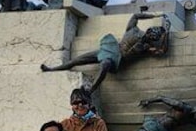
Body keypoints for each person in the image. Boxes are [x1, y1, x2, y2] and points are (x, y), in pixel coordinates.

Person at [41, 12, 170, 92]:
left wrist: (166, 34)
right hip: (110, 50)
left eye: (153, 38)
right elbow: (136, 15)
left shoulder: (147, 47)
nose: (150, 38)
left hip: (118, 60)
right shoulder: (133, 30)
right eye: (150, 35)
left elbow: (162, 51)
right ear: (148, 31)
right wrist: (155, 15)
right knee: (79, 59)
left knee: (105, 65)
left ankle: (90, 90)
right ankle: (53, 69)